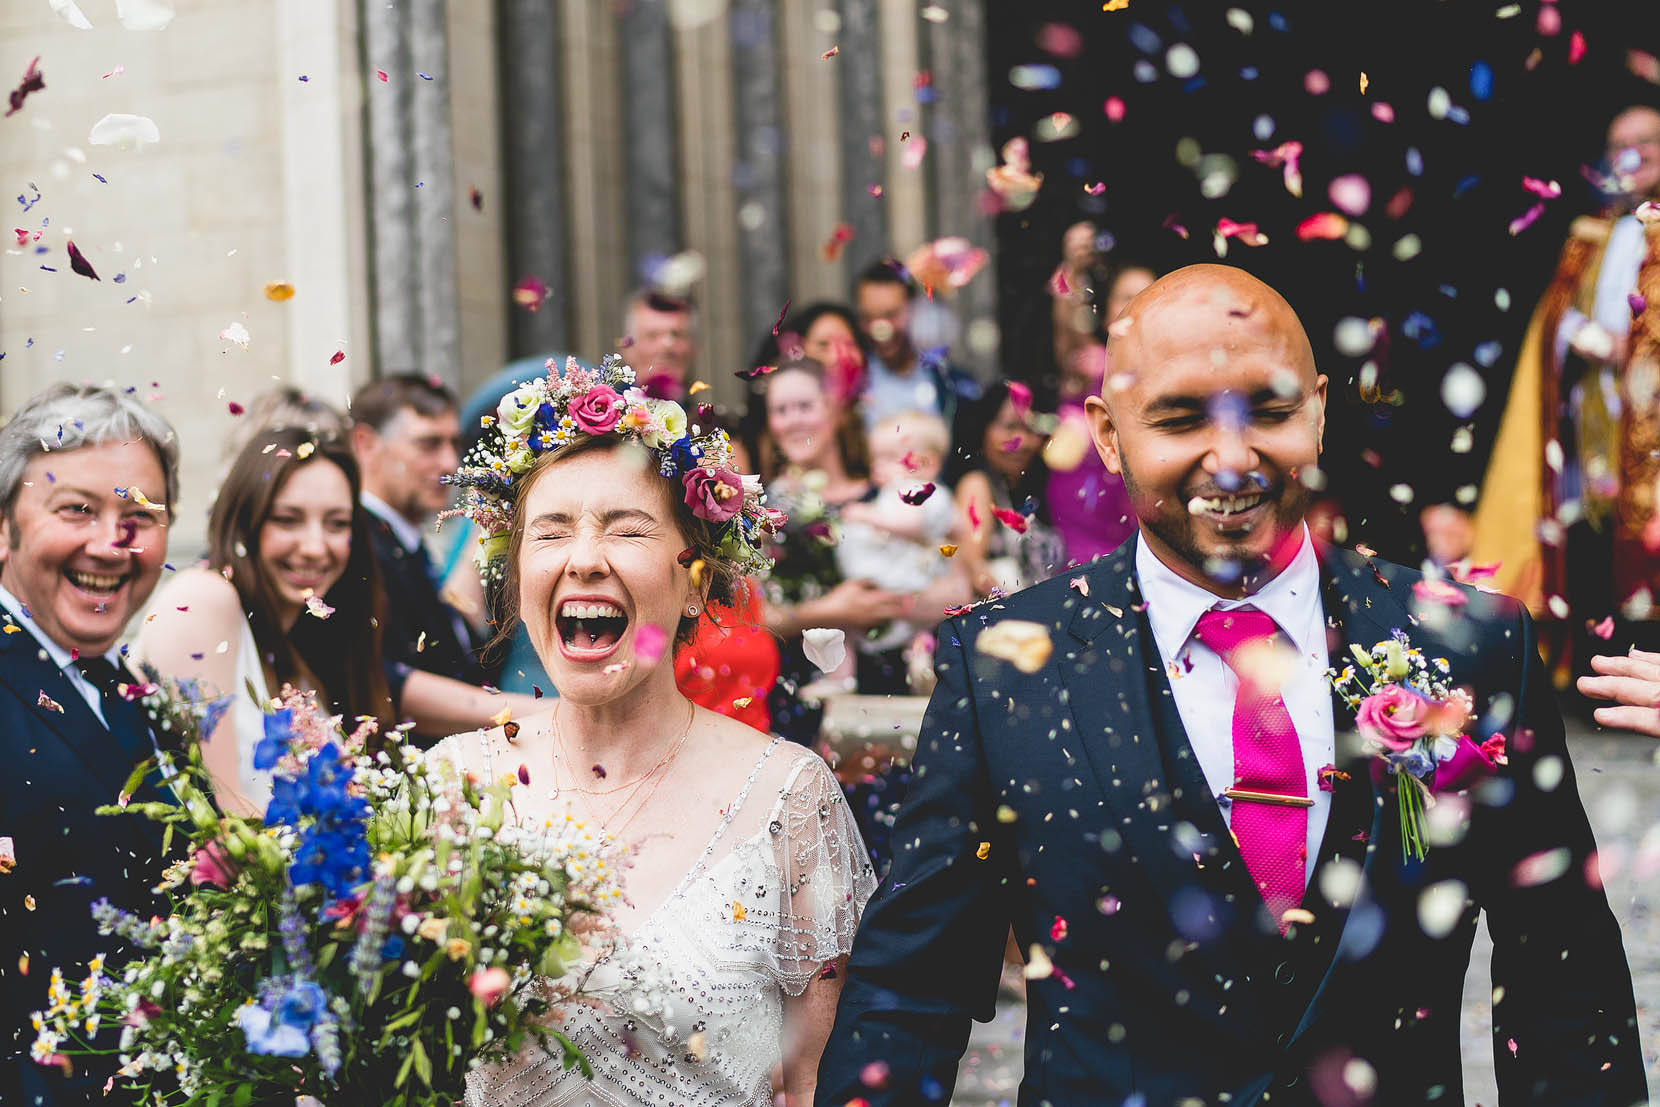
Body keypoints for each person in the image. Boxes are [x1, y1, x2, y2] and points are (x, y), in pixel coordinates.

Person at [817, 264, 1646, 1105]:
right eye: (1180, 418)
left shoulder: (1470, 645)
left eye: (1271, 410)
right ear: (1107, 434)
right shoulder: (1003, 665)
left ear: (1318, 411)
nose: (1233, 458)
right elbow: (912, 991)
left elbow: (1561, 979)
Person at [429, 355, 876, 1105]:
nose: (583, 559)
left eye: (625, 530)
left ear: (694, 580)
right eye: (552, 532)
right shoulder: (453, 786)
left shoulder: (789, 797)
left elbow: (812, 1083)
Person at [133, 428, 538, 815]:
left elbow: (397, 686)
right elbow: (218, 811)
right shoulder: (205, 597)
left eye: (337, 524)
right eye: (287, 519)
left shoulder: (304, 651)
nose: (314, 547)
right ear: (245, 521)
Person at [0, 383, 181, 1106]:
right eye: (77, 509)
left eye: (140, 515)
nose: (113, 542)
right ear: (5, 526)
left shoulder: (135, 687)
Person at [1472, 103, 1660, 682]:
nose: (1633, 153)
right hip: (1594, 425)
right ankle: (1598, 680)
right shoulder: (1590, 235)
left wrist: (1634, 347)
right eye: (1619, 143)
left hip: (1649, 430)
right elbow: (1553, 320)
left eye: (1647, 140)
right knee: (1592, 552)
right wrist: (1578, 334)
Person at [348, 374, 490, 688]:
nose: (450, 463)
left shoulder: (401, 536)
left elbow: (450, 638)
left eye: (455, 444)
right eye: (428, 444)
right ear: (366, 444)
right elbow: (388, 681)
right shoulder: (355, 544)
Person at [836, 409, 962, 677]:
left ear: (927, 464)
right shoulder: (894, 491)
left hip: (908, 579)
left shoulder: (921, 490)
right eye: (876, 458)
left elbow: (911, 524)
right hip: (898, 580)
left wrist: (869, 516)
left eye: (890, 458)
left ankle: (914, 665)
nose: (878, 466)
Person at [1046, 259, 1154, 566]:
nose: (1136, 304)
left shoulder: (1169, 377)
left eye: (1147, 294)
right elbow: (1067, 331)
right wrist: (1074, 269)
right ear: (1107, 312)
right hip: (1079, 532)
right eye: (1126, 296)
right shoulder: (1090, 365)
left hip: (1135, 533)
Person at [945, 379, 1067, 595]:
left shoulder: (1040, 487)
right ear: (984, 429)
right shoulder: (977, 486)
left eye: (1030, 429)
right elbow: (974, 571)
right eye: (1009, 427)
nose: (1020, 441)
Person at [853, 258, 980, 430]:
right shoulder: (851, 387)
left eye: (891, 315)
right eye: (869, 318)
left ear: (915, 310)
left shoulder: (953, 386)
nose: (880, 330)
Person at [619, 287, 698, 400]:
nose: (667, 346)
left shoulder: (706, 414)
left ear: (694, 347)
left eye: (677, 335)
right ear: (627, 348)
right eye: (653, 335)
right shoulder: (611, 413)